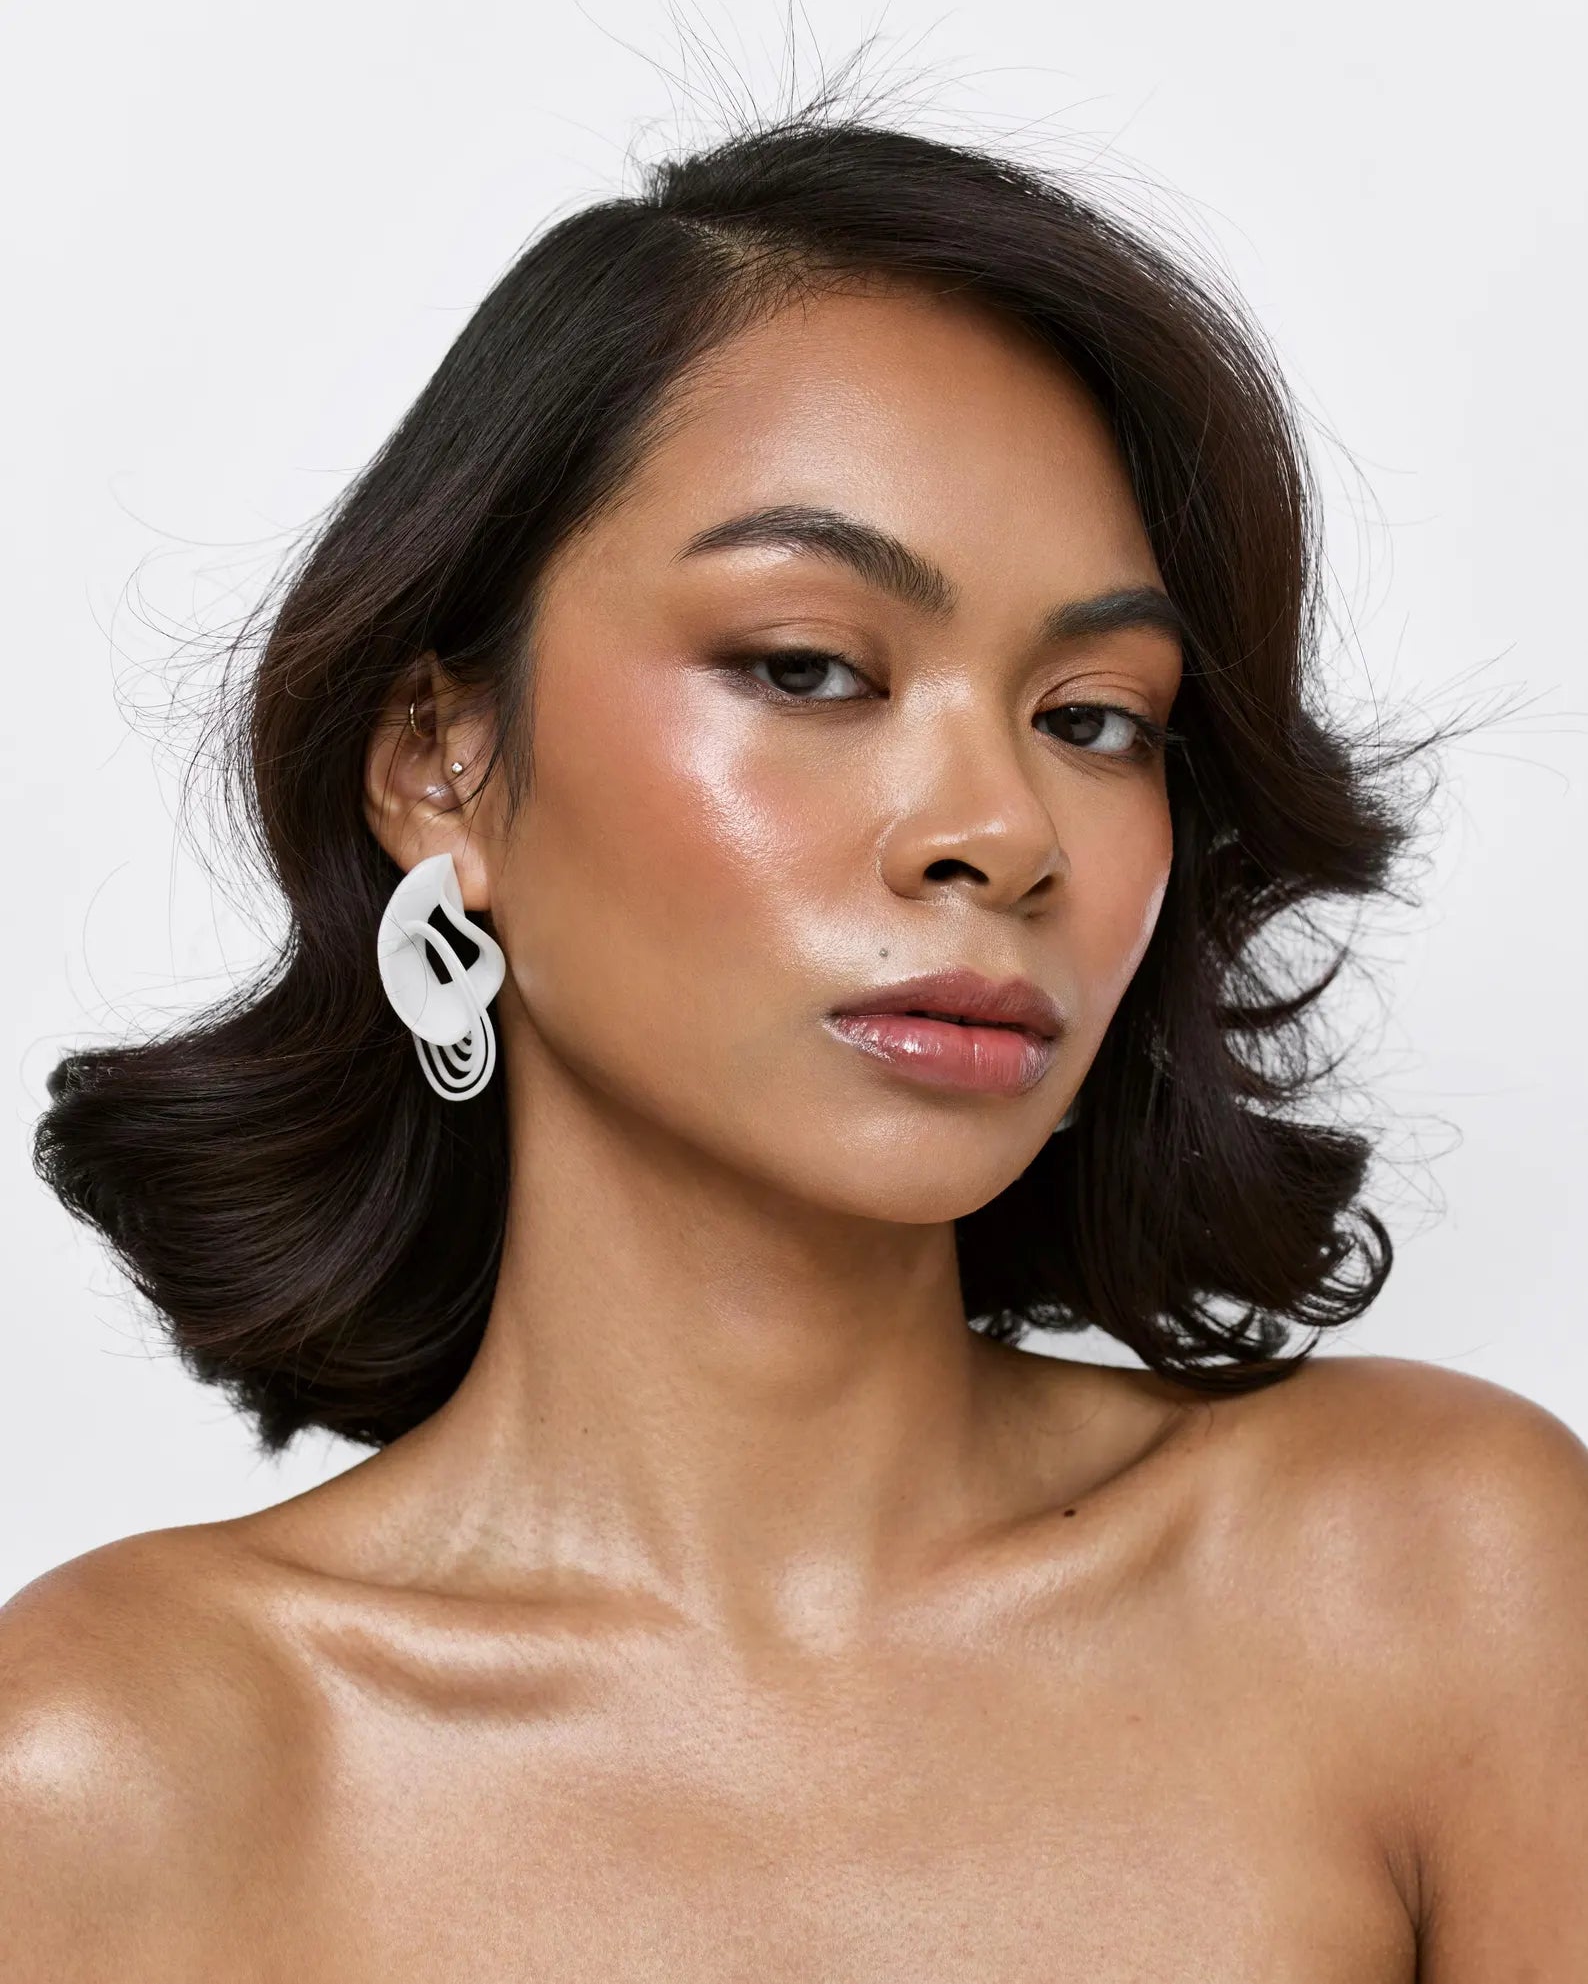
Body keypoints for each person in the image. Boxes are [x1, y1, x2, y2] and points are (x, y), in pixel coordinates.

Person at [5, 108, 1586, 1978]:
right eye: (811, 668)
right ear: (445, 761)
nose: (1002, 828)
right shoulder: (108, 1777)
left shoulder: (1437, 1582)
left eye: (1096, 717)